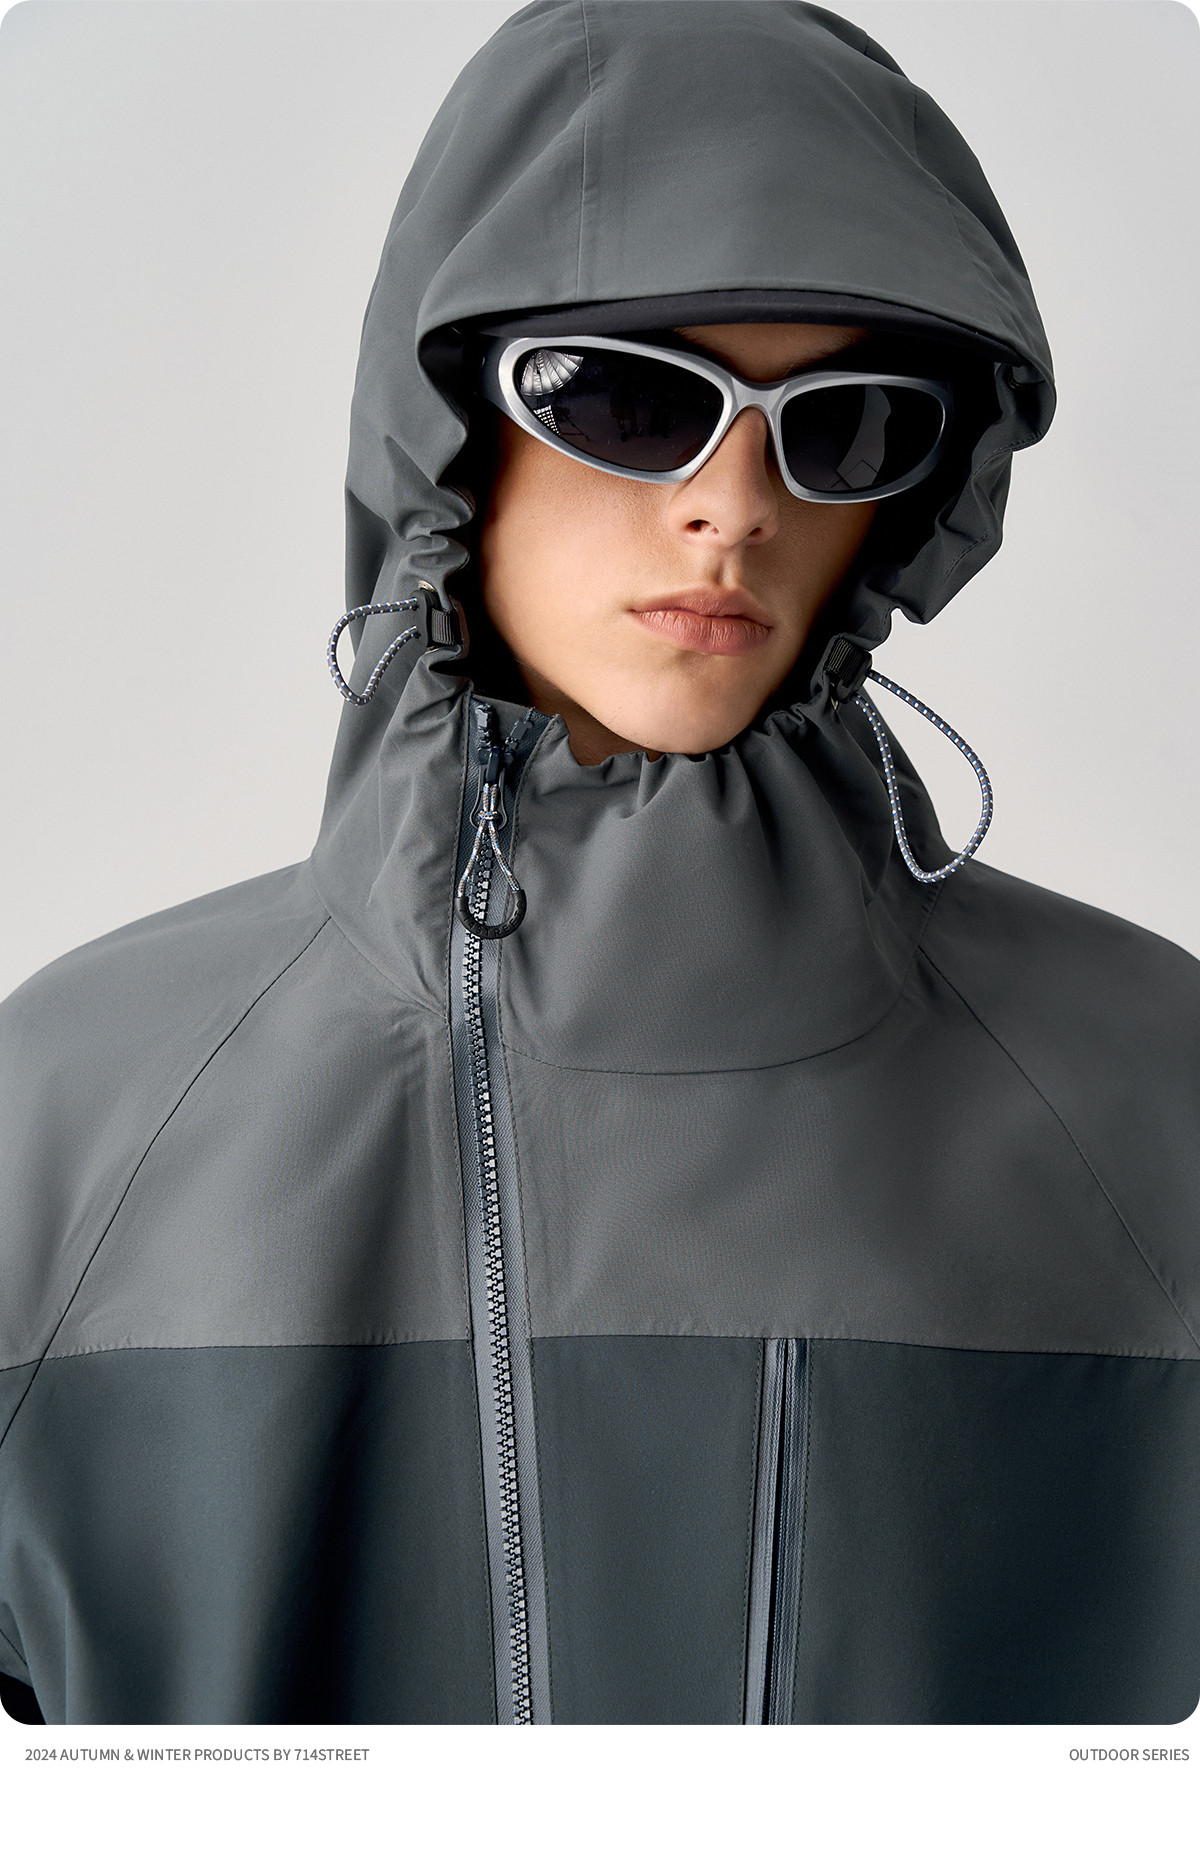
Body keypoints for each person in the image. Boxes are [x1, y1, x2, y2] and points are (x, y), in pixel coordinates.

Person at [0, 0, 1197, 1726]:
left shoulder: (1156, 1099)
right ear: (445, 440)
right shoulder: (68, 1119)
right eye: (632, 399)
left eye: (846, 424)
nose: (736, 503)